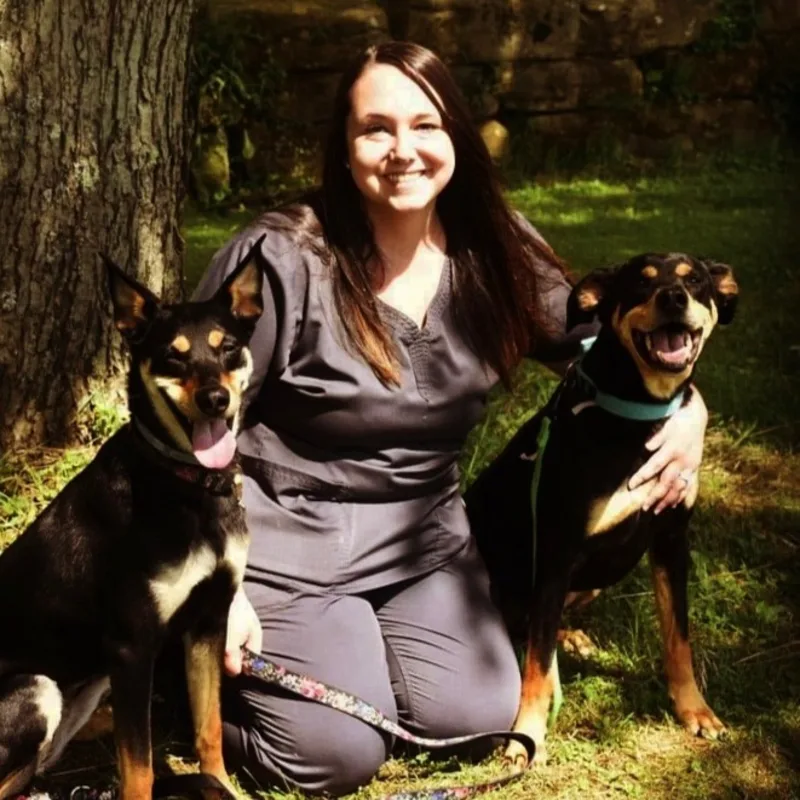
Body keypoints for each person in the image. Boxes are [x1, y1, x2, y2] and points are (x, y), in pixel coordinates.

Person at [194, 41, 708, 797]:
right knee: (337, 756)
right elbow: (190, 421)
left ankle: (353, 655)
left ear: (456, 136)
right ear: (343, 145)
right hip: (286, 546)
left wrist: (690, 408)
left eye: (425, 125)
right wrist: (220, 586)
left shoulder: (497, 247)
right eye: (375, 128)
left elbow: (615, 348)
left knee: (478, 719)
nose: (403, 150)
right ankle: (190, 672)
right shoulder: (280, 257)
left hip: (425, 544)